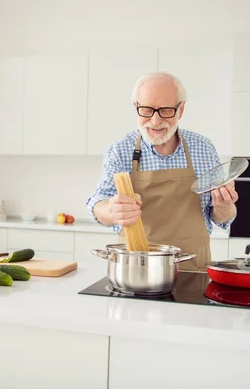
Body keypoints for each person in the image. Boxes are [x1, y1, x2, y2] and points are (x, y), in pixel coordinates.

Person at [86, 71, 238, 271]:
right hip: (136, 269)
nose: (155, 122)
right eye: (147, 110)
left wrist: (225, 207)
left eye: (166, 110)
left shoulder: (203, 148)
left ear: (180, 110)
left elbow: (220, 217)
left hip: (192, 268)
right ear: (136, 108)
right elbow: (97, 204)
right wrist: (111, 210)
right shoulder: (120, 150)